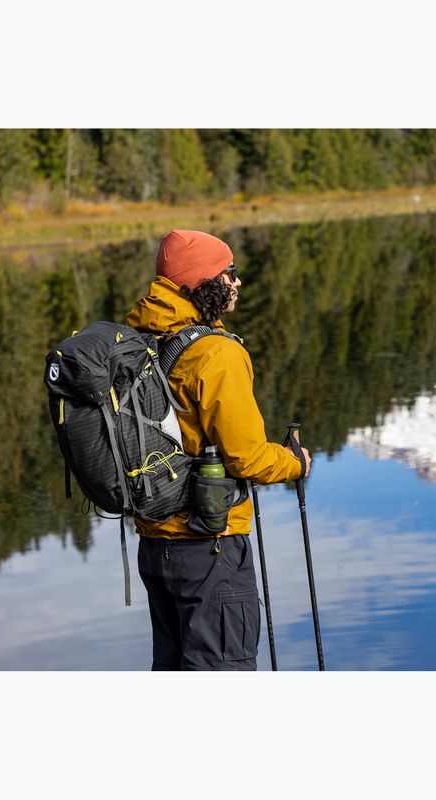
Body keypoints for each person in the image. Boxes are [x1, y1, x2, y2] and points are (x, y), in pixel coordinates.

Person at [125, 229, 311, 671]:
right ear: (203, 282)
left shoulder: (142, 342)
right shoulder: (215, 355)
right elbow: (246, 457)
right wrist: (295, 463)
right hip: (209, 547)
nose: (237, 282)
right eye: (230, 273)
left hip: (156, 547)